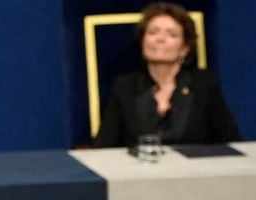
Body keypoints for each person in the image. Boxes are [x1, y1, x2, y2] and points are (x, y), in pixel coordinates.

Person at [92, 2, 239, 149]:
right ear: (142, 41)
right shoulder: (124, 86)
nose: (160, 39)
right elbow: (103, 147)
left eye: (172, 34)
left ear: (185, 48)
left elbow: (231, 142)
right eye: (153, 32)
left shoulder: (203, 84)